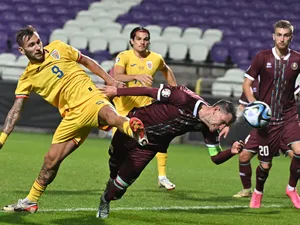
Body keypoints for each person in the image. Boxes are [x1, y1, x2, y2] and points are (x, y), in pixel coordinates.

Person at [0, 25, 148, 213]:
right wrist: (2, 139)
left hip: (90, 97)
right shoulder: (27, 78)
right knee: (50, 162)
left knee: (111, 116)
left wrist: (110, 80)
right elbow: (15, 110)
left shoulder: (59, 47)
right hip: (72, 118)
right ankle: (31, 201)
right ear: (22, 50)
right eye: (31, 45)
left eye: (38, 42)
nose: (38, 47)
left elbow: (87, 61)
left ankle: (133, 129)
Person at [95, 84, 244, 218]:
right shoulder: (183, 97)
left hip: (149, 146)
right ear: (216, 110)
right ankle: (112, 179)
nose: (221, 127)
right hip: (130, 128)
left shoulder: (208, 129)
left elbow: (216, 158)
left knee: (120, 187)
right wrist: (117, 91)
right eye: (223, 122)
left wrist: (231, 151)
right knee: (114, 161)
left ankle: (105, 199)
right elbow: (147, 91)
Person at [242, 20, 300, 208]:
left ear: (291, 37)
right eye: (279, 35)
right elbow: (247, 84)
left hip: (289, 115)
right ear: (273, 36)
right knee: (265, 165)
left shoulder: (297, 59)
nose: (282, 39)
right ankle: (258, 192)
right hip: (267, 119)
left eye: (286, 35)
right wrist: (254, 105)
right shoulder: (262, 57)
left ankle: (291, 188)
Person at [112, 27, 178, 190]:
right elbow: (117, 76)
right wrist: (136, 76)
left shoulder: (156, 58)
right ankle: (114, 177)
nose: (142, 42)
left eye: (145, 39)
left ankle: (162, 176)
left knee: (160, 138)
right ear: (132, 41)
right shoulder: (124, 56)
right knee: (118, 149)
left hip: (147, 109)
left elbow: (166, 69)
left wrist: (175, 90)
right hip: (123, 112)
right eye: (139, 39)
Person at [232, 79, 297, 198]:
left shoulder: (282, 77)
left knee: (296, 156)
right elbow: (242, 107)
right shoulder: (251, 85)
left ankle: (292, 188)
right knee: (244, 156)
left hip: (283, 125)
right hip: (262, 129)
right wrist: (228, 123)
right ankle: (247, 189)